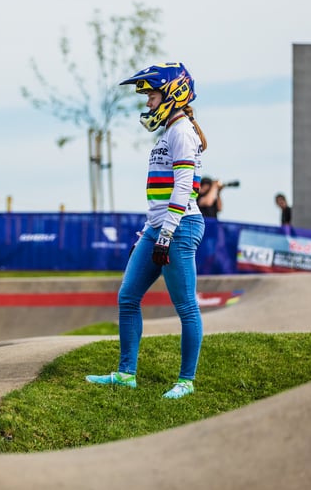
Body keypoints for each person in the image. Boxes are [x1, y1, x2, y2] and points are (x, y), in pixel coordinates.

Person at [86, 62, 207, 399]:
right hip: (158, 227)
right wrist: (148, 233)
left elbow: (183, 189)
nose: (148, 103)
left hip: (180, 227)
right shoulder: (168, 132)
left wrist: (166, 235)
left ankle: (186, 381)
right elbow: (159, 194)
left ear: (171, 94)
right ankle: (126, 374)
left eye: (152, 96)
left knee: (185, 307)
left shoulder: (182, 132)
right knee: (128, 297)